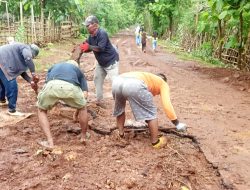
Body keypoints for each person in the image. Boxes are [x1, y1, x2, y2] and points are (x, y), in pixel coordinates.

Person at [112, 71, 187, 149]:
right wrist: (177, 124)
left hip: (117, 82)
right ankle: (156, 142)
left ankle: (120, 134)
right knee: (151, 113)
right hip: (133, 84)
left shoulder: (147, 77)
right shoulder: (163, 83)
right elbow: (167, 105)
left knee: (120, 108)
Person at [37, 60, 89, 149]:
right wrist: (78, 110)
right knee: (83, 108)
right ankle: (83, 137)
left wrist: (52, 102)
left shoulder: (54, 66)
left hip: (52, 86)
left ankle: (50, 142)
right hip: (71, 88)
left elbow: (47, 85)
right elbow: (85, 95)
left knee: (41, 110)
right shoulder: (78, 70)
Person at [78, 15, 119, 106]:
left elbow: (101, 48)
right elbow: (89, 47)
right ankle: (99, 100)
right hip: (101, 63)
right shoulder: (90, 37)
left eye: (88, 25)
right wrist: (83, 48)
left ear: (95, 25)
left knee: (115, 84)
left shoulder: (102, 33)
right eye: (86, 25)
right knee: (97, 79)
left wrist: (89, 47)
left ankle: (119, 101)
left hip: (111, 62)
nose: (86, 27)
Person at [0, 42, 40, 116]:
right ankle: (12, 110)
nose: (32, 58)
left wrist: (30, 80)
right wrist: (33, 73)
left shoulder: (19, 52)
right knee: (12, 84)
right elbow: (28, 58)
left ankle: (2, 100)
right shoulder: (26, 48)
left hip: (2, 61)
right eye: (32, 56)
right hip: (2, 62)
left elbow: (21, 71)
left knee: (2, 82)